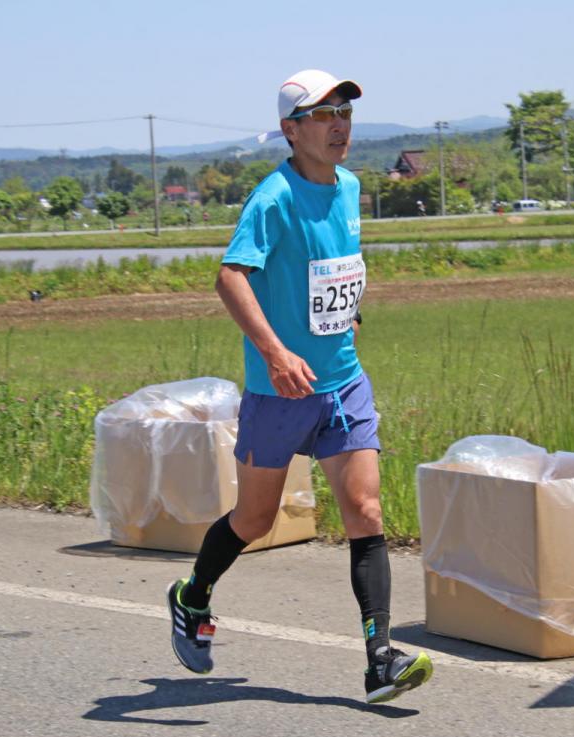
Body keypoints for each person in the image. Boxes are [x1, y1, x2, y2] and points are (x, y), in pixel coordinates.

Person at [166, 68, 433, 704]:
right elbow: (232, 277)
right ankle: (191, 596)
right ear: (291, 130)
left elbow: (335, 265)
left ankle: (379, 660)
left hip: (343, 383)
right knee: (254, 519)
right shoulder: (274, 197)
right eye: (323, 115)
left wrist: (349, 311)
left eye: (345, 112)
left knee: (365, 511)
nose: (339, 124)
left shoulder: (350, 188)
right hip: (279, 391)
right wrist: (276, 350)